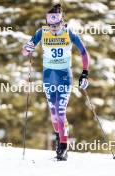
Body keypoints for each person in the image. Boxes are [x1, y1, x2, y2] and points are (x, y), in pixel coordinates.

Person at [22, 4, 90, 161]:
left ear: (62, 22)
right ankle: (60, 141)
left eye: (56, 25)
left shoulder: (69, 33)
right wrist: (27, 48)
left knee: (60, 111)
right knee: (54, 115)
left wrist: (85, 73)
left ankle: (64, 148)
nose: (53, 28)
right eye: (50, 25)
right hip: (48, 77)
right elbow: (25, 52)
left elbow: (84, 52)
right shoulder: (41, 33)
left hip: (64, 76)